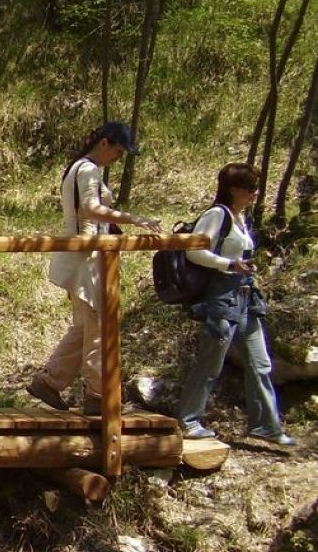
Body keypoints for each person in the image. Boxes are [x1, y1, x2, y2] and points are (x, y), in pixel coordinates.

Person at [27, 121, 161, 416]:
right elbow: (89, 209)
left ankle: (49, 381)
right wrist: (133, 219)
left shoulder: (83, 168)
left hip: (86, 255)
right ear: (104, 143)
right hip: (87, 256)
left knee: (85, 326)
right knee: (99, 326)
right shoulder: (87, 169)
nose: (117, 157)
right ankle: (98, 395)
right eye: (117, 150)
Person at [176, 163, 294, 445]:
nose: (255, 193)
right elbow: (194, 252)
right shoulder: (218, 215)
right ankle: (188, 420)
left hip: (246, 298)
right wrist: (229, 264)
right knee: (210, 362)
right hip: (221, 298)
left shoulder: (240, 218)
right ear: (233, 189)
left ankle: (265, 425)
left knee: (260, 362)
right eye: (250, 188)